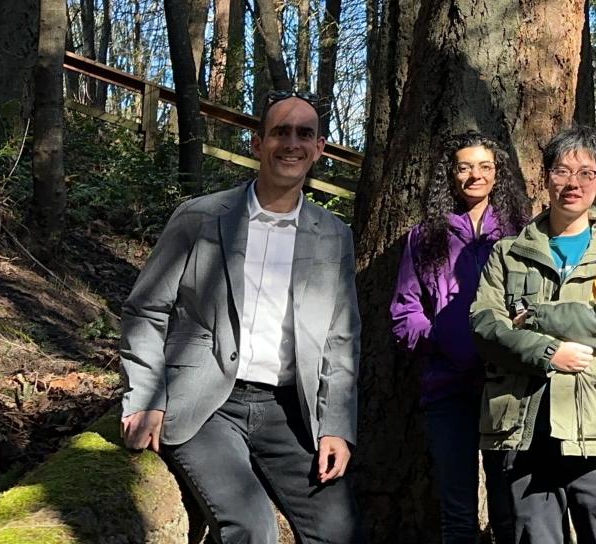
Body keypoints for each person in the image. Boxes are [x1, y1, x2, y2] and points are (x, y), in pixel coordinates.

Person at [119, 91, 362, 544]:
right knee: (252, 526)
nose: (291, 144)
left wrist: (336, 428)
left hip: (290, 410)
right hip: (206, 403)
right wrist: (144, 398)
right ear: (257, 144)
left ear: (319, 149)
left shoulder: (333, 235)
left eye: (304, 134)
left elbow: (341, 339)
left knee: (339, 531)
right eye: (280, 132)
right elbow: (146, 309)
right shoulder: (201, 218)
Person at [469, 125, 596, 544]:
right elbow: (486, 326)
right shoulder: (507, 253)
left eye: (587, 173)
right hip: (520, 426)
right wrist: (548, 352)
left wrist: (537, 315)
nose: (574, 183)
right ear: (546, 176)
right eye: (563, 171)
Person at [391, 132, 531, 543]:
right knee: (458, 514)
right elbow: (405, 311)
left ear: (497, 174)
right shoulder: (426, 236)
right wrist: (442, 342)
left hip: (506, 389)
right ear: (450, 175)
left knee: (508, 510)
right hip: (448, 390)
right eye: (464, 167)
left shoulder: (518, 234)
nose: (475, 176)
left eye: (485, 167)